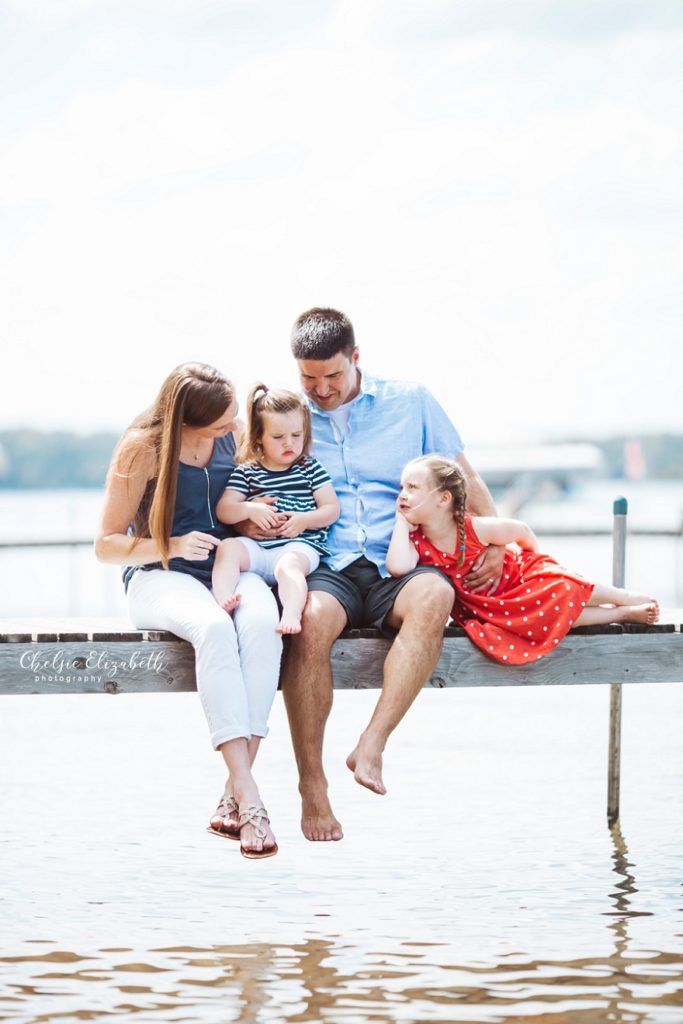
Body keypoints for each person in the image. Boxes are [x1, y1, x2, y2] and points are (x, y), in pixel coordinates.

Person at [238, 307, 505, 842]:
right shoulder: (291, 416)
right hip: (325, 562)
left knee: (436, 595)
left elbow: (464, 474)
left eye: (333, 376)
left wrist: (493, 538)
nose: (322, 389)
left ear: (356, 358)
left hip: (398, 561)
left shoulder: (411, 402)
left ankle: (372, 744)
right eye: (309, 378)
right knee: (309, 621)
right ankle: (311, 784)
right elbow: (247, 471)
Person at [94, 362, 282, 859]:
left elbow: (240, 500)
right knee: (216, 630)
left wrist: (255, 519)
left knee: (264, 625)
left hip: (226, 567)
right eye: (222, 425)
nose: (233, 430)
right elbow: (106, 545)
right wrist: (172, 544)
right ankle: (252, 799)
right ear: (184, 423)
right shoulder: (141, 450)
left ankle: (233, 793)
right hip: (159, 577)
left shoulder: (229, 435)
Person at [387, 454, 659, 663]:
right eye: (402, 487)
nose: (403, 494)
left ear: (443, 499)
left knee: (563, 588)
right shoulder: (415, 540)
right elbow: (398, 567)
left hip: (522, 578)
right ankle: (621, 614)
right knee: (541, 618)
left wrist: (538, 563)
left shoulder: (475, 528)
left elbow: (522, 531)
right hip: (493, 605)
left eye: (412, 487)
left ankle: (623, 597)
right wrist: (401, 523)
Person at [211, 383, 340, 635]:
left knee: (289, 566)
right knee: (228, 548)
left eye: (296, 435)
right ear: (259, 437)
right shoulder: (247, 471)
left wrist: (305, 519)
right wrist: (249, 509)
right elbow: (224, 510)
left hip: (298, 546)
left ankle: (291, 613)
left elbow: (331, 508)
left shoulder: (310, 469)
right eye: (278, 437)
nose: (289, 444)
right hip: (258, 549)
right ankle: (224, 598)